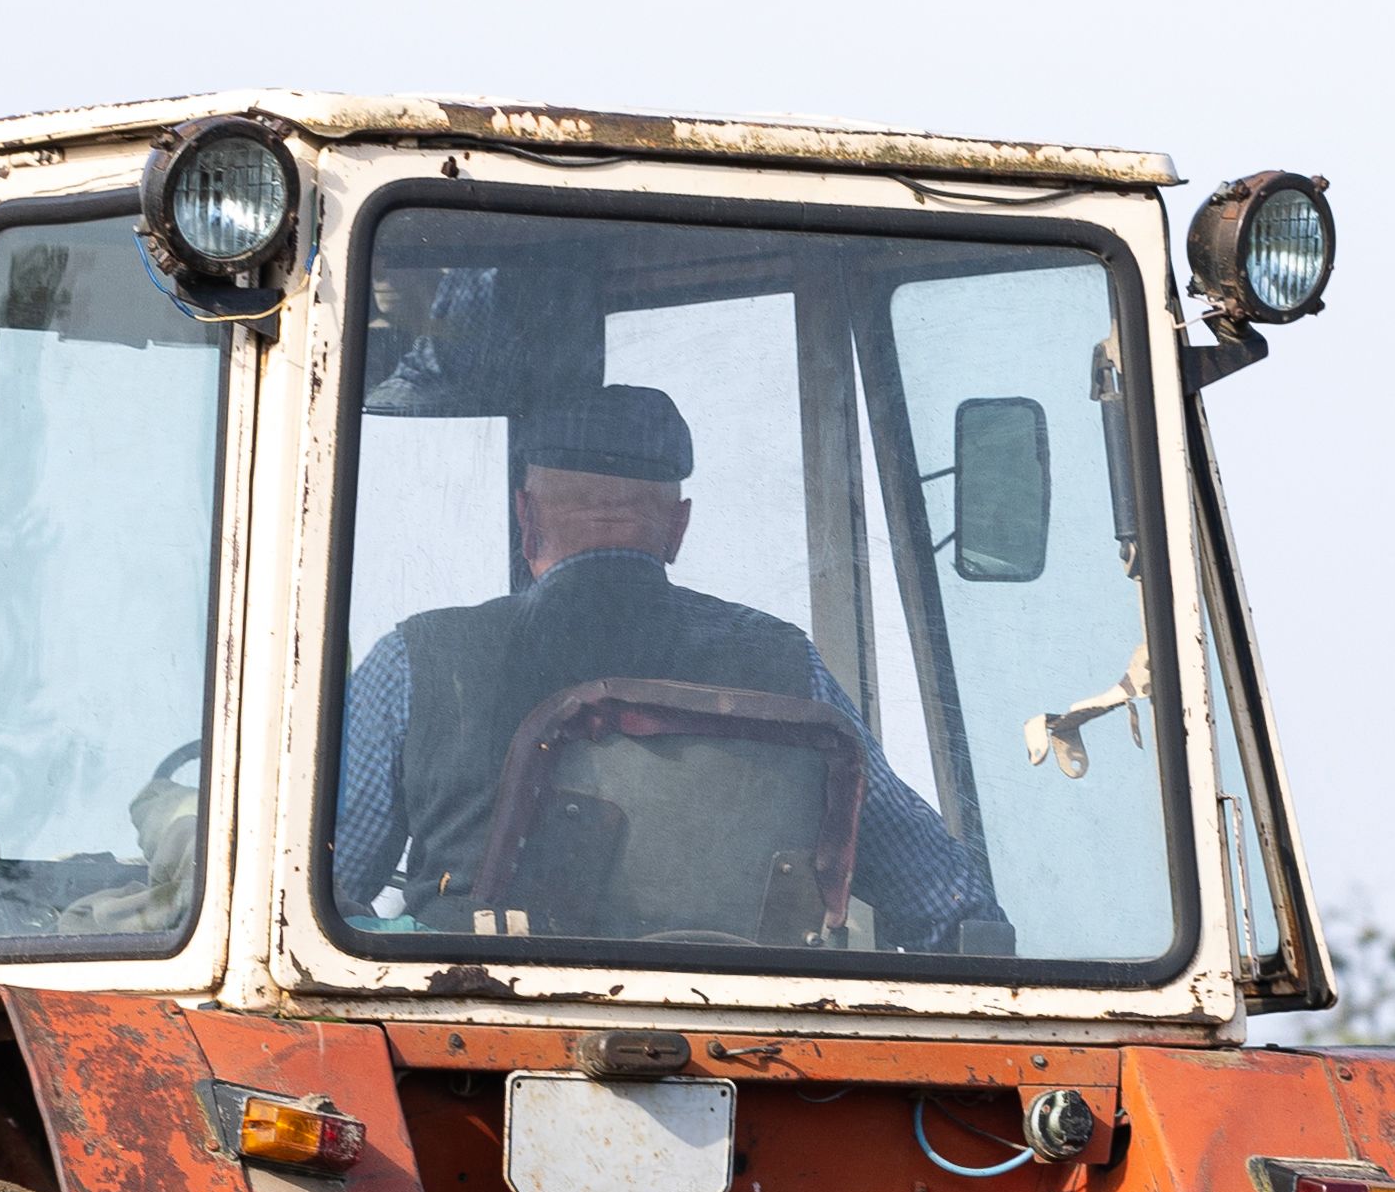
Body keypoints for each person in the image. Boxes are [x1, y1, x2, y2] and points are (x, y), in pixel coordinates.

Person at [330, 381, 994, 939]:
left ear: (526, 519)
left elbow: (315, 890)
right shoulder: (788, 664)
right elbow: (944, 900)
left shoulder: (415, 661)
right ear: (676, 529)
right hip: (758, 1049)